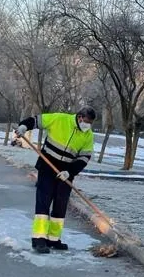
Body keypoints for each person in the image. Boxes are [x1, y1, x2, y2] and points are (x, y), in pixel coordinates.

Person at [15, 107, 96, 253]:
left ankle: (54, 239)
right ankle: (39, 239)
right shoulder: (59, 119)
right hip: (47, 166)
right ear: (80, 117)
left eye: (90, 123)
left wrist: (69, 172)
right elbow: (36, 120)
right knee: (43, 202)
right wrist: (23, 126)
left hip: (66, 172)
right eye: (86, 122)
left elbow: (84, 158)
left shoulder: (88, 135)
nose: (87, 125)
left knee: (60, 205)